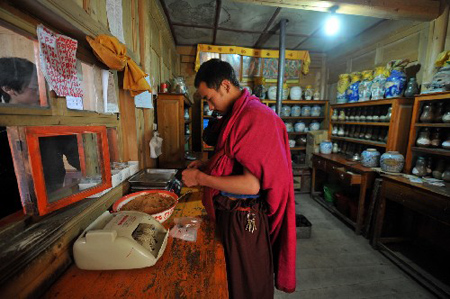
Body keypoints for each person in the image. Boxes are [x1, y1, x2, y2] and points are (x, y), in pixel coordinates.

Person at [182, 59, 296, 298]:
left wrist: (202, 178)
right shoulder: (239, 113)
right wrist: (207, 165)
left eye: (210, 98)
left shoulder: (255, 116)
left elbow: (251, 183)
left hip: (245, 220)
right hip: (232, 214)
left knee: (247, 286)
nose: (211, 106)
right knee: (232, 282)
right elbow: (236, 160)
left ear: (225, 86)